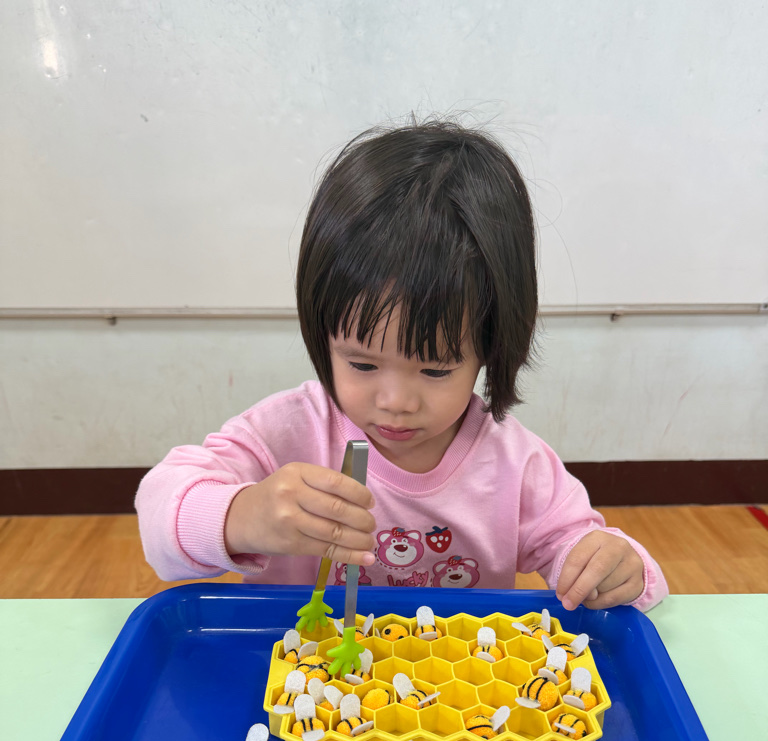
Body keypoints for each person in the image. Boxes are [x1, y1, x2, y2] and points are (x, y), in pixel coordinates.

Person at [136, 120, 667, 612]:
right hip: (299, 665)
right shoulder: (286, 434)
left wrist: (615, 568)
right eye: (361, 364)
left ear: (492, 347)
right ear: (323, 335)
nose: (395, 402)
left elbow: (596, 555)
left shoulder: (514, 464)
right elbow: (160, 519)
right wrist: (242, 516)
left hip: (455, 678)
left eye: (435, 371)